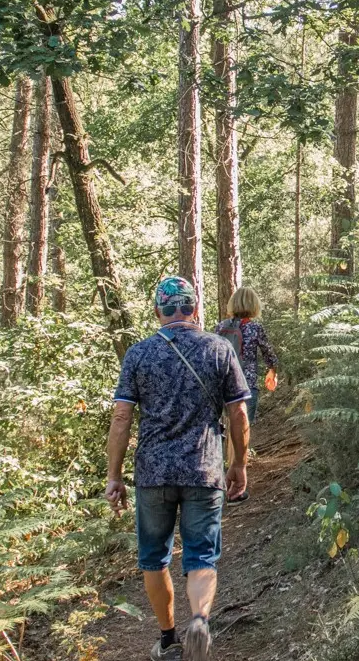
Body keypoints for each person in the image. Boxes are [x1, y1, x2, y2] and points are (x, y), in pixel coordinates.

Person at [106, 276, 250, 661]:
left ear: (158, 311)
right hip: (204, 469)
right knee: (201, 556)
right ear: (195, 309)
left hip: (153, 473)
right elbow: (238, 413)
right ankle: (200, 621)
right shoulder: (219, 349)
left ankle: (168, 638)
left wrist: (114, 476)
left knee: (155, 557)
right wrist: (238, 464)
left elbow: (122, 418)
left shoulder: (137, 355)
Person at [213, 286, 278, 504]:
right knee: (241, 431)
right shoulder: (254, 329)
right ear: (253, 305)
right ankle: (236, 487)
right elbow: (270, 355)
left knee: (222, 431)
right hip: (246, 386)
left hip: (220, 386)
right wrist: (273, 371)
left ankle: (220, 481)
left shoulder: (220, 327)